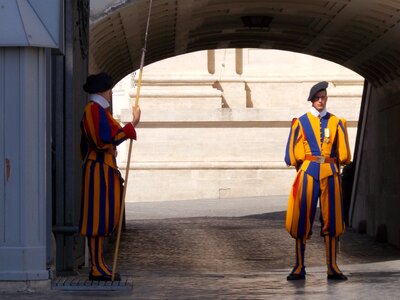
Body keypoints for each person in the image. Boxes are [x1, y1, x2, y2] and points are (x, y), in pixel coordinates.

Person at [284, 81, 351, 281]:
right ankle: (299, 266)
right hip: (309, 171)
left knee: (333, 220)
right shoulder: (301, 122)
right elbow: (291, 156)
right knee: (302, 218)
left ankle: (332, 266)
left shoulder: (336, 122)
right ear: (312, 100)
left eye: (323, 97)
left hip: (330, 172)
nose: (321, 100)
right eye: (317, 97)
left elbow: (344, 154)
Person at [79, 72, 141, 281]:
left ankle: (99, 264)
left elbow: (113, 137)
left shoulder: (99, 111)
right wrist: (131, 125)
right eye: (108, 89)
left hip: (103, 168)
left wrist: (130, 127)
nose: (110, 93)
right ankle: (96, 267)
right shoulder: (93, 111)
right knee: (96, 219)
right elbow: (103, 140)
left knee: (104, 217)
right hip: (97, 169)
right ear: (102, 91)